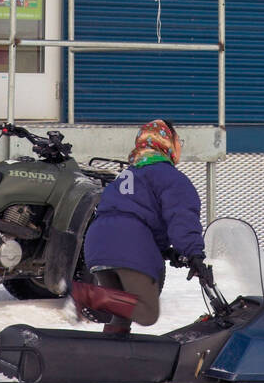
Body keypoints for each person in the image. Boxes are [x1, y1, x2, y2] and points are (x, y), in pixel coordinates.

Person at [77, 119, 212, 334]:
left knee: (121, 314)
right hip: (128, 244)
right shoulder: (170, 177)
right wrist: (194, 253)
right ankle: (82, 295)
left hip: (98, 246)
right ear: (167, 144)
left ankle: (113, 353)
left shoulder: (128, 175)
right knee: (147, 313)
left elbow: (130, 217)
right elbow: (181, 216)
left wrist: (168, 251)